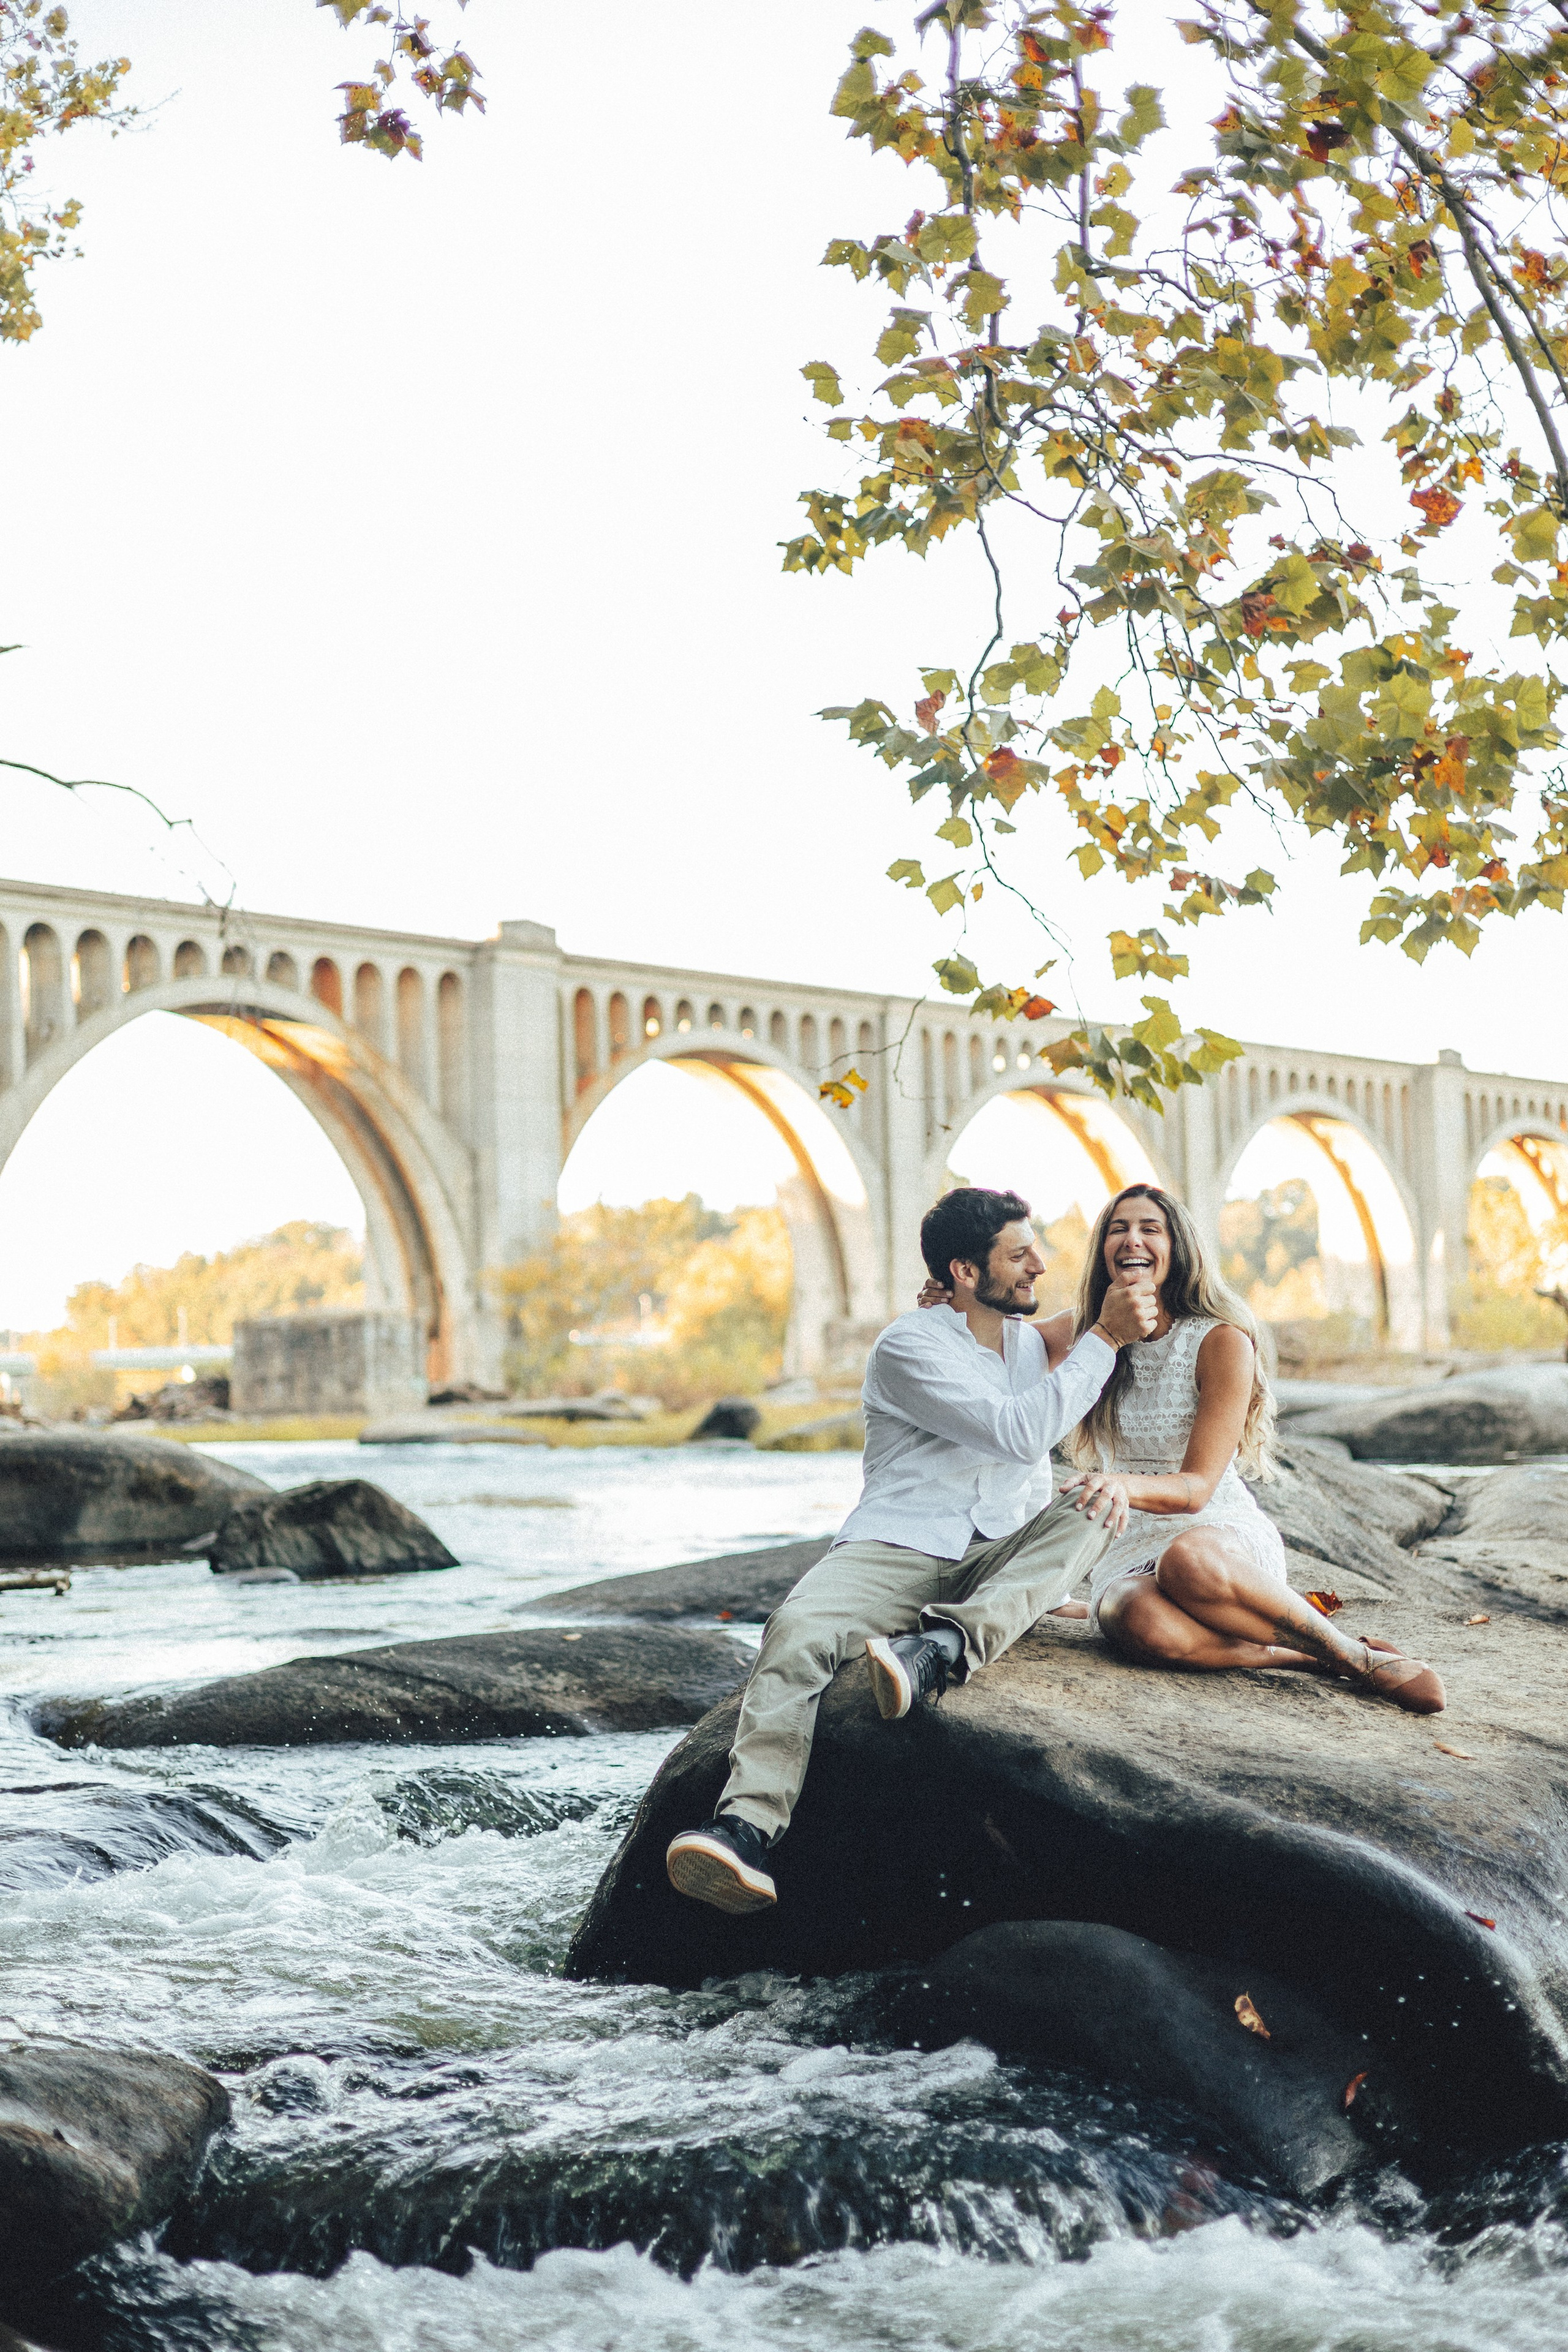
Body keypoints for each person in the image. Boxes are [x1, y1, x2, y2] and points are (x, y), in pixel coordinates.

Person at [663, 1185, 1158, 1916]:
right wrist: (1107, 1341)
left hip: (1003, 1548)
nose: (1038, 1266)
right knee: (796, 1634)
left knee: (1098, 1504)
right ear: (964, 1271)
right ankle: (747, 1829)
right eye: (1019, 1255)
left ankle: (940, 1649)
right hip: (900, 1544)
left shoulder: (1029, 1338)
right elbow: (1020, 1430)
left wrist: (1131, 1274)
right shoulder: (909, 1345)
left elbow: (1104, 1310)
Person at [931, 1182, 1447, 1714]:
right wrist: (954, 1299)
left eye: (1150, 1229)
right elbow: (1001, 1344)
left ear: (1178, 1248)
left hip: (1217, 1540)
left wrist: (1120, 1486)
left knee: (1186, 1560)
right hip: (1130, 1546)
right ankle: (1308, 1659)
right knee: (1128, 1617)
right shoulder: (1092, 1328)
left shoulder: (1220, 1340)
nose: (1132, 1240)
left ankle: (1356, 1658)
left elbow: (1198, 1489)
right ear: (1103, 1251)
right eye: (1118, 1229)